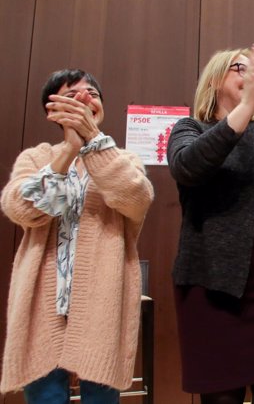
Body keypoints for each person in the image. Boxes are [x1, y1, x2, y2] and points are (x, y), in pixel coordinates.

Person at [167, 37, 254, 404]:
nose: (249, 76)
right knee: (221, 398)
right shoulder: (189, 128)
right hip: (212, 291)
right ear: (215, 80)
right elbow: (188, 167)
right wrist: (245, 107)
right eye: (238, 68)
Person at [0, 69, 154, 403]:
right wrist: (68, 149)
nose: (85, 99)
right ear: (51, 110)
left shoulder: (122, 159)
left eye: (92, 95)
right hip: (41, 303)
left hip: (102, 303)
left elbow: (135, 198)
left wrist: (92, 144)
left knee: (100, 397)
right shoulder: (36, 157)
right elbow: (22, 209)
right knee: (46, 397)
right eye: (72, 96)